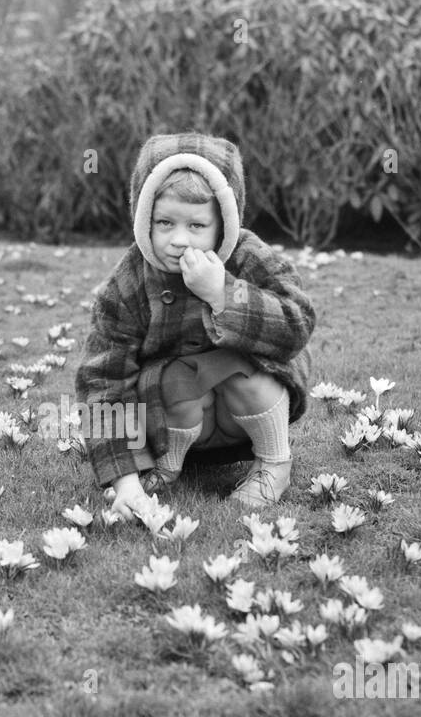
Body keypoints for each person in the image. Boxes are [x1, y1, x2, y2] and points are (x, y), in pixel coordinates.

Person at [74, 132, 317, 513]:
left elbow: (296, 323)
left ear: (224, 222)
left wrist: (224, 292)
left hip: (245, 411)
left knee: (246, 373)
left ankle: (273, 463)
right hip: (175, 419)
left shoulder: (249, 258)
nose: (178, 240)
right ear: (143, 217)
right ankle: (165, 467)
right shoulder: (127, 284)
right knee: (173, 376)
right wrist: (124, 480)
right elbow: (102, 381)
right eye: (165, 222)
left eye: (197, 226)